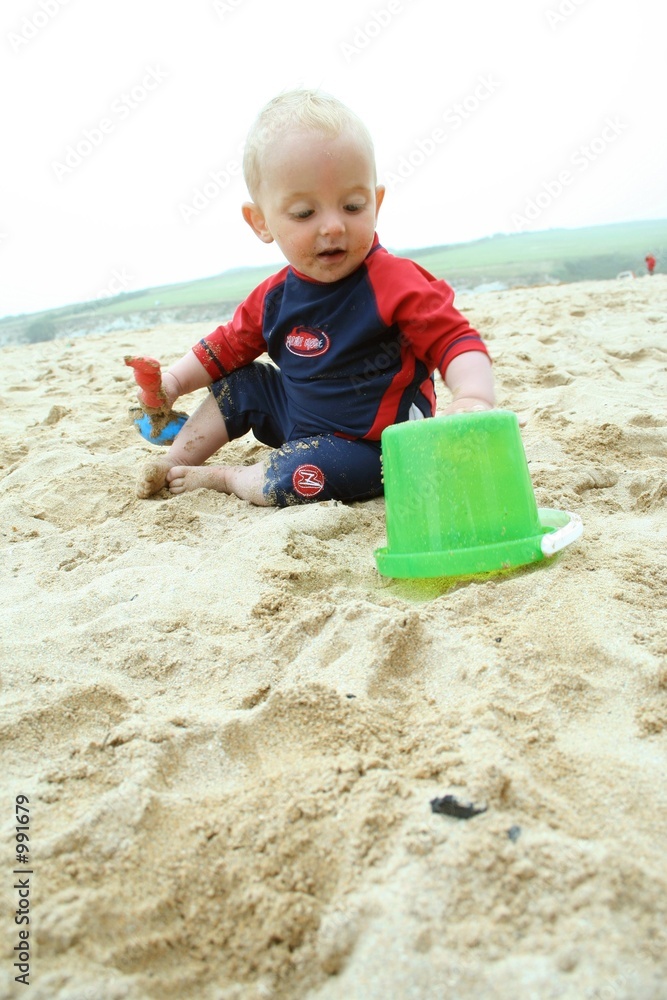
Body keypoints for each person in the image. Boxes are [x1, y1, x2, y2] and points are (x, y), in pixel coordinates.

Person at [135, 89, 495, 506]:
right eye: (305, 213)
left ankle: (230, 478)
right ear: (261, 222)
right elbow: (225, 347)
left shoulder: (395, 283)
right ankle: (176, 463)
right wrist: (173, 383)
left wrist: (473, 396)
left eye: (352, 206)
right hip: (294, 416)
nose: (333, 226)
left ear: (376, 203)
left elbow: (456, 341)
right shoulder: (274, 296)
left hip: (374, 448)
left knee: (296, 475)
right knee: (244, 383)